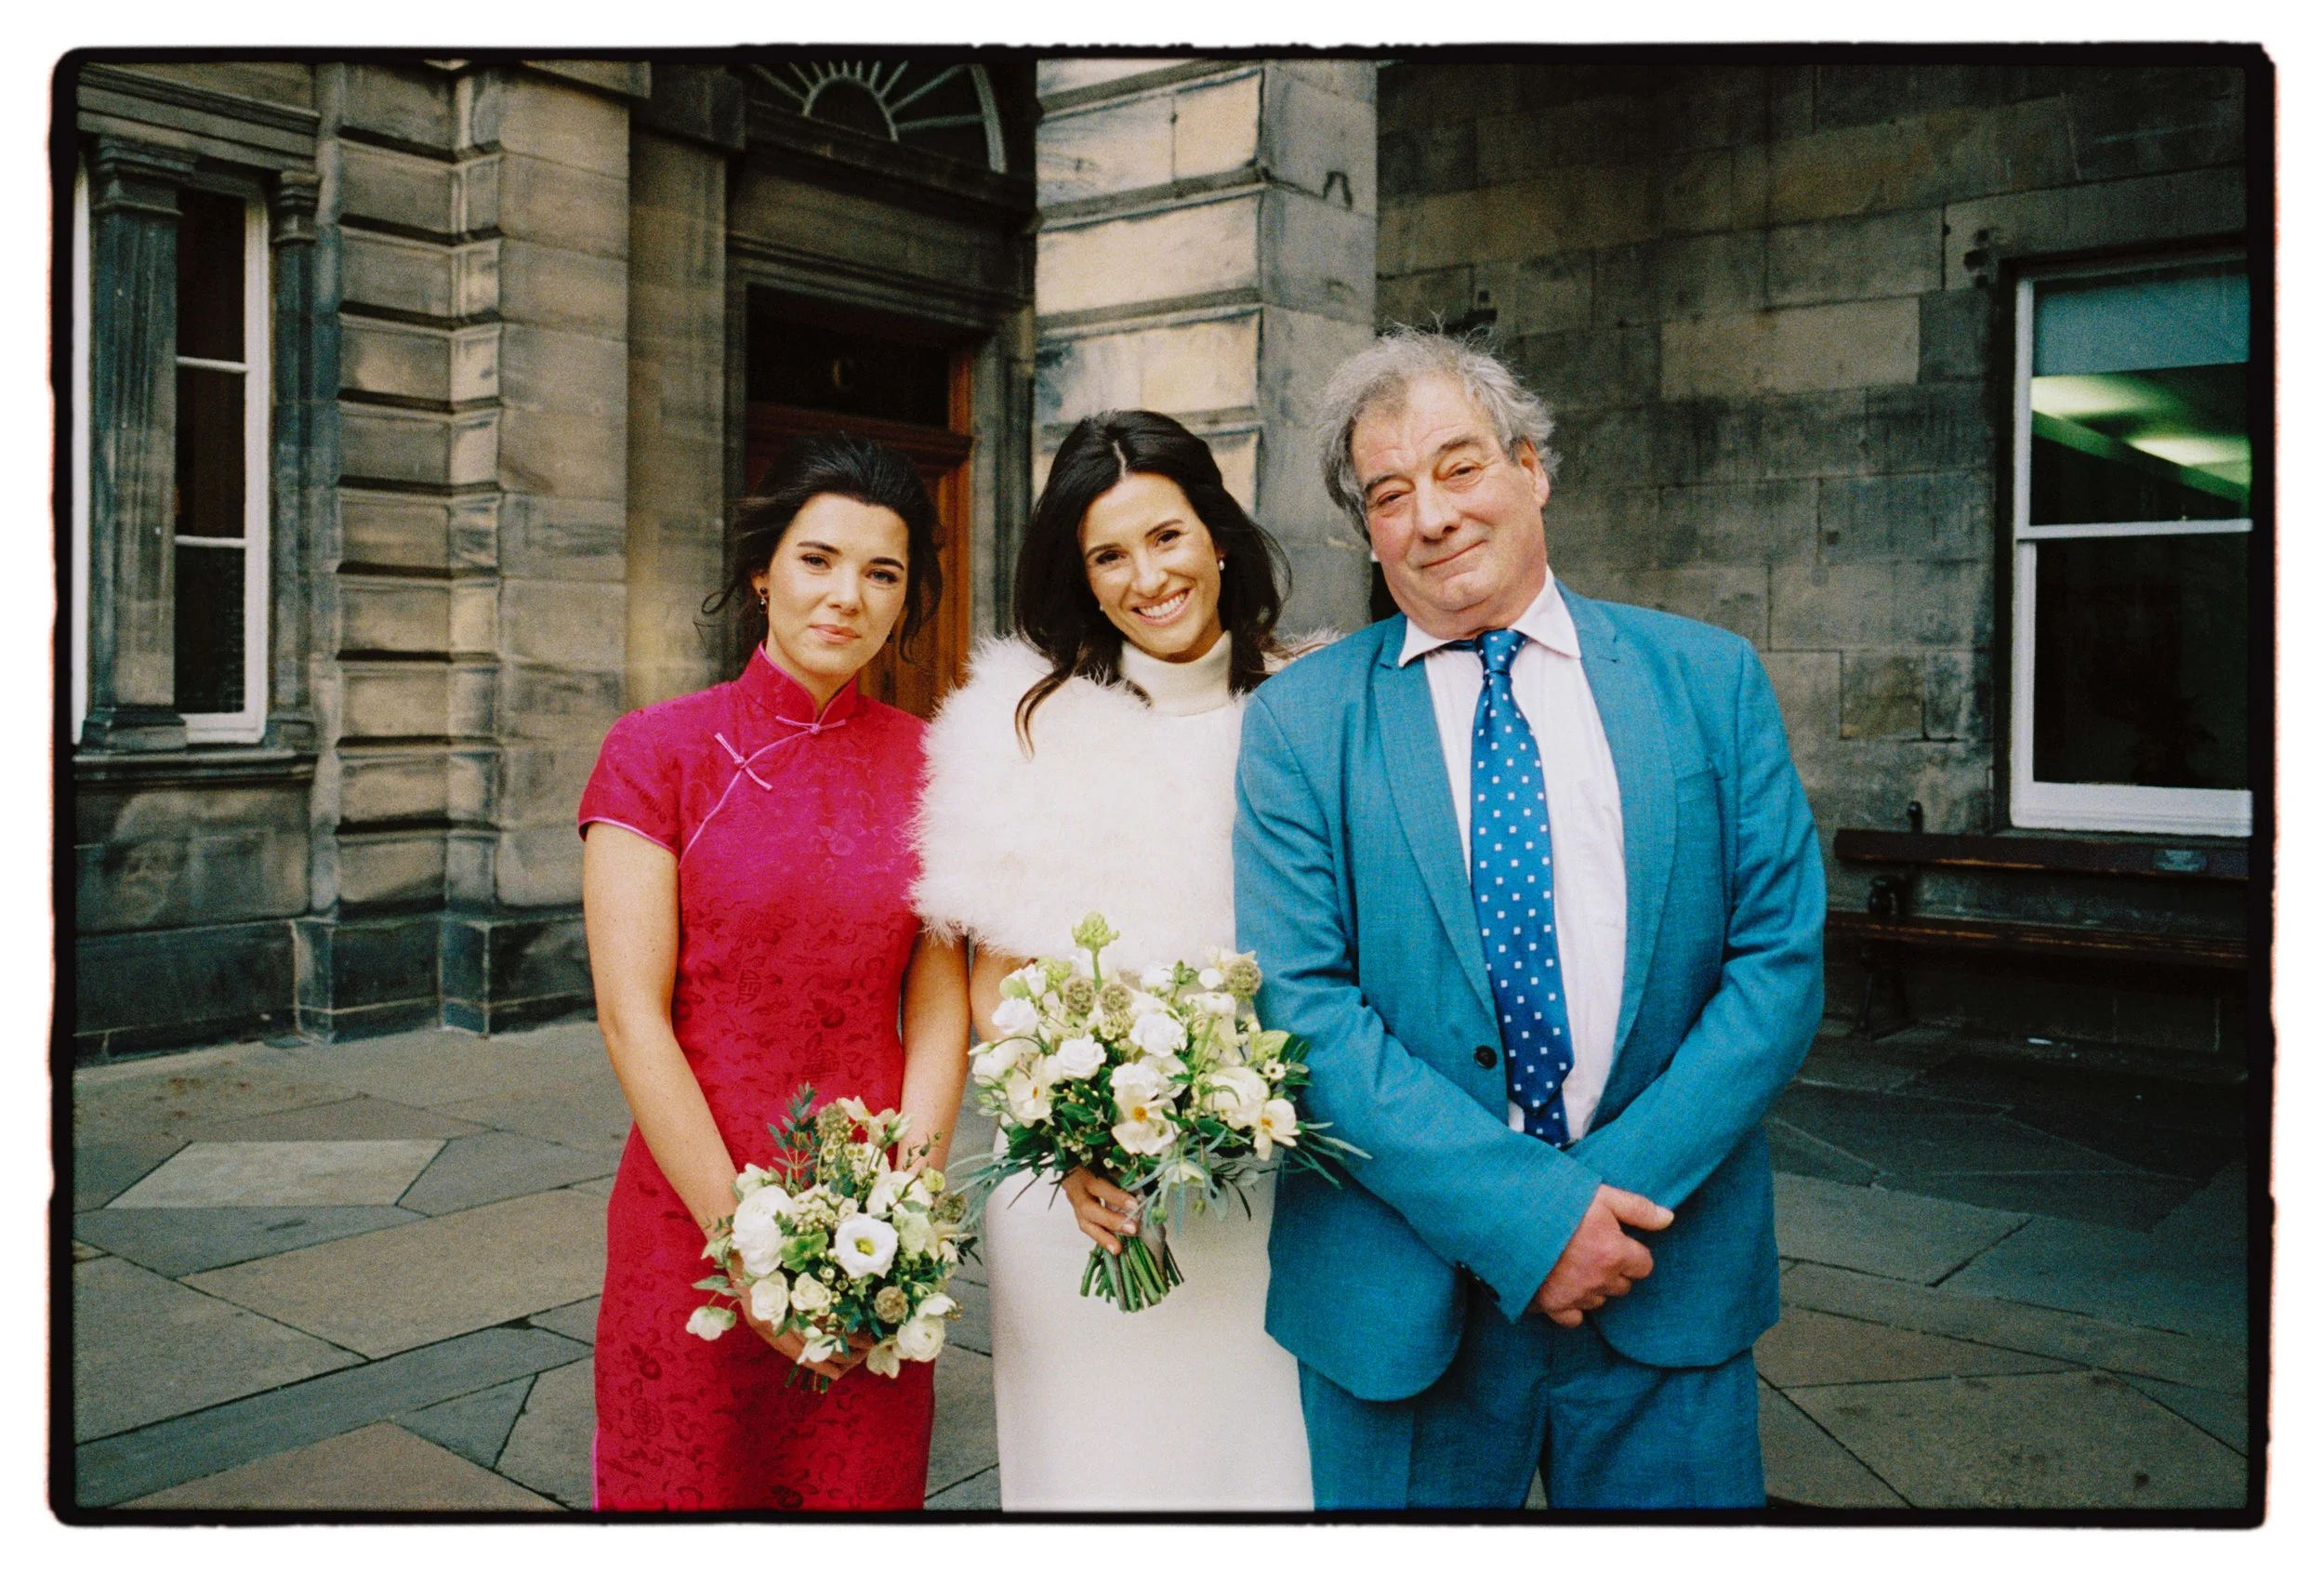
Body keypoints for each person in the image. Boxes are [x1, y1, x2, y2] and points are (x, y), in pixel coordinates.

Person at [1234, 328, 1825, 1511]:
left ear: (1531, 468)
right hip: (1402, 1302)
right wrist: (1533, 1219)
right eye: (1389, 494)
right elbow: (1301, 1007)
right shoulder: (1299, 721)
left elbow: (1777, 965)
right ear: (1367, 533)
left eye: (1460, 467)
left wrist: (1595, 1212)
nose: (1433, 515)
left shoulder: (1707, 678)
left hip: (1662, 1267)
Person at [913, 409, 1314, 1511]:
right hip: (1082, 1190)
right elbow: (996, 980)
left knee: (1267, 1478)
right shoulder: (1020, 721)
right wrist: (1073, 1137)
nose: (1148, 577)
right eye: (1108, 555)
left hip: (1272, 1188)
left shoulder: (1308, 700)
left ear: (1217, 534)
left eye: (1167, 536)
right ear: (1079, 576)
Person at [578, 432, 970, 1512]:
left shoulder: (936, 765)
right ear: (762, 571)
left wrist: (900, 1214)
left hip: (869, 1216)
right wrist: (744, 1248)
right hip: (691, 1208)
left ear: (906, 599)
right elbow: (630, 1016)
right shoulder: (655, 752)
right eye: (818, 559)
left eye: (881, 573)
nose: (847, 595)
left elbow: (940, 1010)